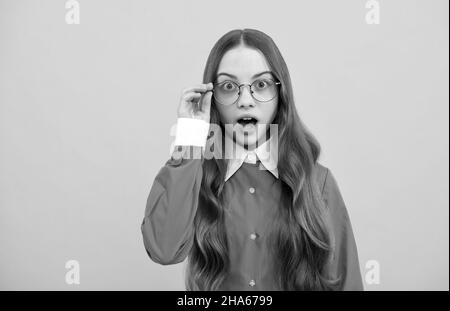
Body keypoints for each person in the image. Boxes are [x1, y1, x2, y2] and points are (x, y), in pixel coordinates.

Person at [141, 28, 363, 291]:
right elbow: (163, 250)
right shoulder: (195, 177)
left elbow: (347, 283)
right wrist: (190, 138)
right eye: (228, 86)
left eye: (261, 85)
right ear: (213, 99)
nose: (245, 100)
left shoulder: (318, 182)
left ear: (280, 95)